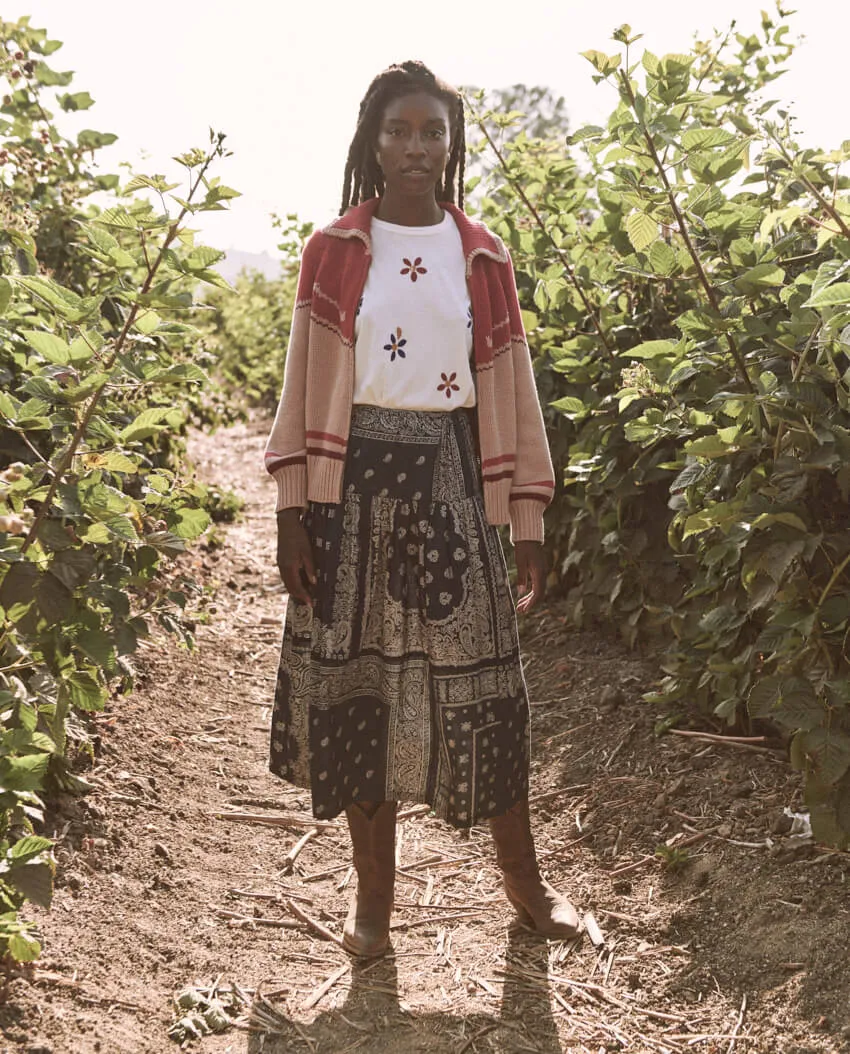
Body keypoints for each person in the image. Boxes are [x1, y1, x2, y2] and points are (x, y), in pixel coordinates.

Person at [264, 60, 578, 958]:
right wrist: (295, 512)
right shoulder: (335, 249)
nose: (415, 146)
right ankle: (374, 906)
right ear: (372, 140)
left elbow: (510, 391)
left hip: (450, 479)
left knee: (486, 680)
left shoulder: (480, 253)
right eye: (399, 130)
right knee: (361, 682)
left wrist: (526, 522)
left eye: (431, 131)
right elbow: (303, 383)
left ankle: (528, 889)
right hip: (351, 483)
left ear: (450, 144)